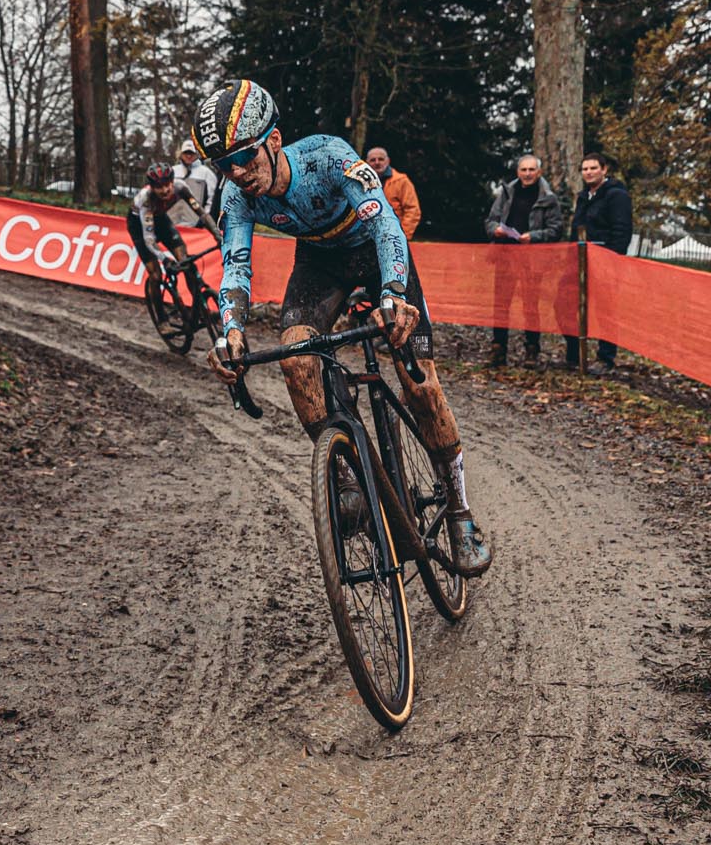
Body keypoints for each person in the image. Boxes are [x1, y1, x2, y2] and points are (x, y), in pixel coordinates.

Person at [196, 80, 490, 576]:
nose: (237, 172)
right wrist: (231, 330)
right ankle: (350, 475)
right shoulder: (238, 195)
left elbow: (386, 227)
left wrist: (394, 295)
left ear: (273, 139)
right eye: (222, 164)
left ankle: (460, 511)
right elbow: (235, 266)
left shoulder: (329, 157)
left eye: (244, 157)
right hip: (320, 265)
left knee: (421, 385)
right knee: (295, 360)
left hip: (376, 256)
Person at [483, 154, 564, 365]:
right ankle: (498, 348)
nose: (527, 174)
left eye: (531, 170)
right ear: (518, 172)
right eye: (523, 170)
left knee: (530, 305)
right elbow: (490, 220)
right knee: (500, 304)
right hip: (505, 256)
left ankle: (532, 350)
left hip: (532, 259)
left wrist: (534, 236)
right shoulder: (507, 192)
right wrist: (496, 230)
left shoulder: (548, 197)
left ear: (539, 172)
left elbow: (556, 229)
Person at [565, 151, 633, 374]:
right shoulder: (583, 196)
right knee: (565, 304)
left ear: (604, 170)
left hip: (605, 259)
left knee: (605, 310)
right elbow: (577, 227)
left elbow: (622, 231)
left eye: (593, 168)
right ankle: (575, 353)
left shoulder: (617, 195)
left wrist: (611, 260)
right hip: (579, 260)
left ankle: (605, 358)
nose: (588, 172)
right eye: (585, 169)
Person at [128, 161, 220, 281]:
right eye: (159, 187)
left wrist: (217, 235)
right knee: (156, 275)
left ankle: (197, 298)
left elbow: (202, 213)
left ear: (172, 181)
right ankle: (156, 299)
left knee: (185, 262)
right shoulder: (146, 200)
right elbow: (149, 239)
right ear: (152, 187)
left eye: (167, 184)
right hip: (138, 226)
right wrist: (165, 259)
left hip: (160, 218)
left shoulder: (180, 187)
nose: (165, 190)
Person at [365, 145, 422, 238]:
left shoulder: (401, 181)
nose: (377, 162)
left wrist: (402, 235)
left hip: (395, 236)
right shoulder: (362, 183)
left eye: (381, 159)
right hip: (368, 237)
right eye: (373, 160)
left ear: (388, 161)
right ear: (366, 163)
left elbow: (412, 210)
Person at [174, 138, 221, 220]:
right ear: (180, 154)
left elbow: (212, 199)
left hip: (197, 223)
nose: (188, 156)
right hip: (174, 222)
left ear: (196, 154)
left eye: (191, 153)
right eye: (186, 153)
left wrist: (205, 217)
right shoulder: (173, 171)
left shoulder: (206, 173)